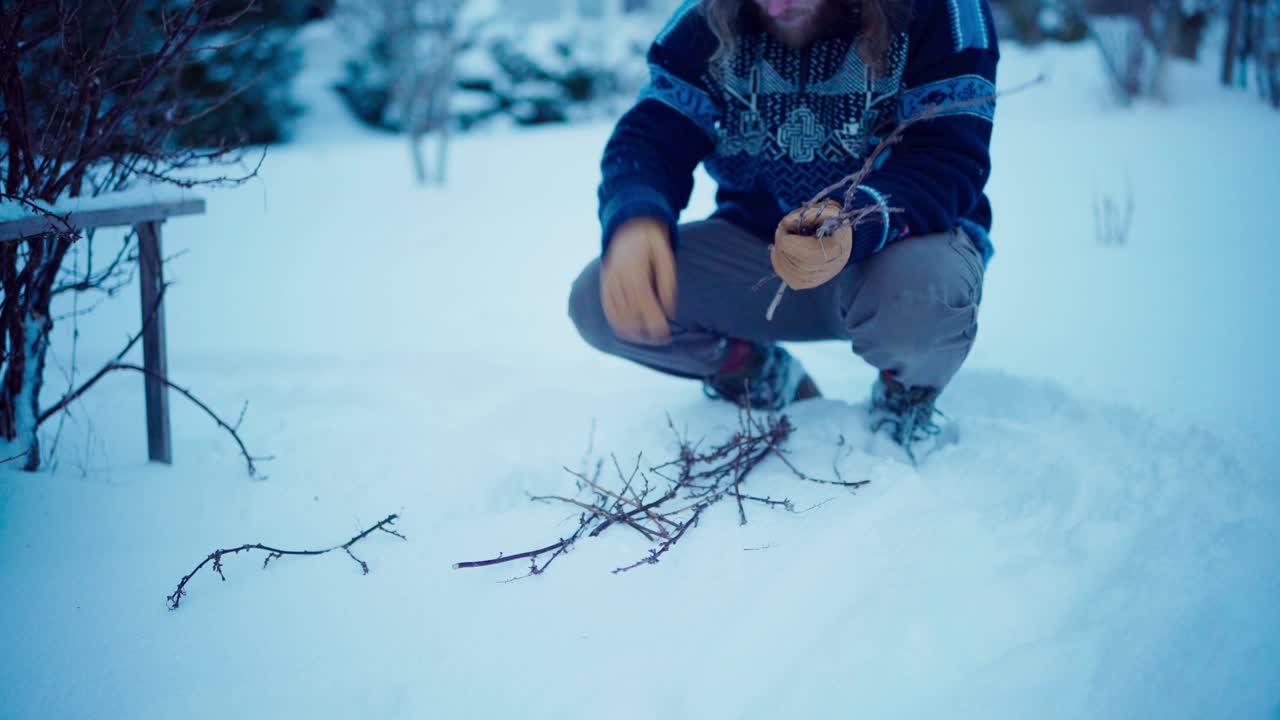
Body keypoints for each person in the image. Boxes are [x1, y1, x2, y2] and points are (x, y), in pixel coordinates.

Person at [568, 0, 998, 461]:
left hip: (894, 253)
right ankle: (756, 373)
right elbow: (652, 134)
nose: (777, 5)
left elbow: (947, 158)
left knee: (924, 297)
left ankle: (905, 397)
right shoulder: (706, 19)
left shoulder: (941, 12)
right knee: (601, 301)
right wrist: (636, 218)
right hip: (760, 256)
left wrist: (853, 221)